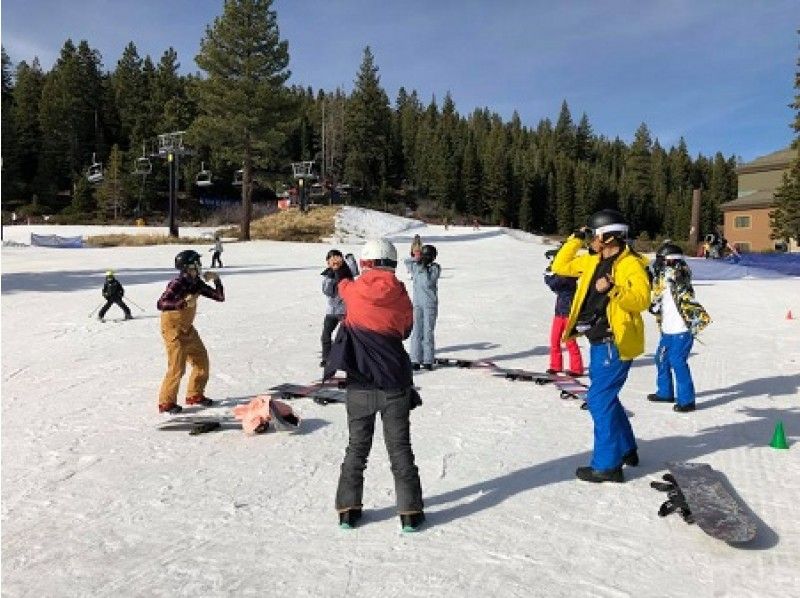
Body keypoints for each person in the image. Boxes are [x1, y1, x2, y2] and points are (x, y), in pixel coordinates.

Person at [324, 238, 424, 532]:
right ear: (392, 263)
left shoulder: (354, 292)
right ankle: (410, 513)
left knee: (356, 448)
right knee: (400, 450)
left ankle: (348, 510)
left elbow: (342, 285)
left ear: (365, 263)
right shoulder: (401, 294)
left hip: (360, 384)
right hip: (395, 382)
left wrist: (341, 267)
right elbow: (405, 330)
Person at [551, 209, 650, 483]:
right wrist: (574, 238)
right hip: (597, 340)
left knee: (598, 399)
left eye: (593, 236)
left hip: (613, 342)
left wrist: (614, 289)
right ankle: (627, 447)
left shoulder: (631, 264)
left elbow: (642, 299)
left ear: (608, 236)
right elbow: (560, 266)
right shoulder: (592, 260)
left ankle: (607, 465)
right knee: (605, 396)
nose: (591, 241)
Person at [156, 250, 225, 414]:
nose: (200, 267)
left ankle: (195, 395)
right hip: (173, 329)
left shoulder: (196, 283)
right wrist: (181, 303)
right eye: (197, 264)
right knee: (177, 367)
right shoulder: (177, 283)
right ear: (187, 267)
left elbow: (219, 297)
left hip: (187, 328)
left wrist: (217, 280)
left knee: (202, 361)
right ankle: (166, 402)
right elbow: (161, 303)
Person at [648, 243, 711, 412]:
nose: (659, 263)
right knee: (660, 359)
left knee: (677, 361)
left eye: (662, 260)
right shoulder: (660, 278)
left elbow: (684, 280)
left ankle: (687, 400)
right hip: (667, 330)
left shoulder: (680, 276)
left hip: (682, 329)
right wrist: (654, 305)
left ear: (671, 261)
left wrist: (675, 271)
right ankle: (665, 392)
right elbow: (657, 294)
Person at [543, 249, 584, 376]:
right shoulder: (562, 273)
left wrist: (550, 273)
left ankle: (577, 368)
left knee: (570, 341)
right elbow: (553, 285)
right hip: (559, 312)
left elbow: (555, 283)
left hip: (569, 313)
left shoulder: (569, 275)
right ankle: (555, 366)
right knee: (554, 340)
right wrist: (550, 272)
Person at [320, 249, 359, 367]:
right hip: (331, 311)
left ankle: (350, 358)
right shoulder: (328, 275)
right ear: (328, 262)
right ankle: (327, 358)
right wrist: (332, 276)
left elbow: (355, 270)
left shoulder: (347, 272)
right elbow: (328, 292)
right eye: (331, 260)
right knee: (325, 335)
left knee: (347, 336)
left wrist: (349, 257)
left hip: (345, 311)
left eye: (337, 259)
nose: (334, 262)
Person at [405, 244, 441, 370]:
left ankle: (427, 359)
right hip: (417, 304)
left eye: (427, 256)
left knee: (428, 331)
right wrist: (417, 257)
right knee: (417, 331)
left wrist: (424, 267)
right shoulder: (416, 266)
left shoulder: (435, 268)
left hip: (430, 304)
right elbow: (406, 261)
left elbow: (428, 283)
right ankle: (415, 359)